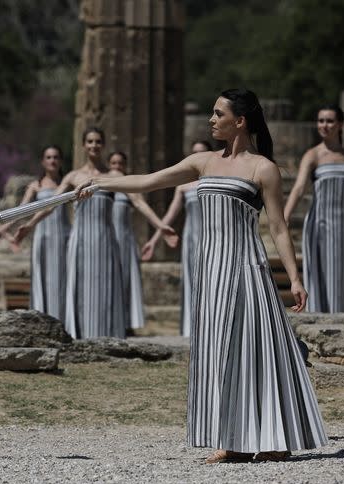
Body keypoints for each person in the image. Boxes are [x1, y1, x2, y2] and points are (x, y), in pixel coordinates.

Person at [77, 89, 327, 462]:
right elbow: (148, 181)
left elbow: (277, 227)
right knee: (215, 352)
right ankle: (229, 440)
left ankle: (273, 438)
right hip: (210, 270)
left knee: (253, 351)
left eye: (217, 114)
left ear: (239, 121)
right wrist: (100, 185)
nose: (211, 120)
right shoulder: (203, 162)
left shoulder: (263, 169)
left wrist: (295, 277)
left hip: (246, 269)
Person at [15, 128, 174, 339]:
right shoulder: (73, 177)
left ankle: (108, 337)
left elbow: (138, 201)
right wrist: (31, 224)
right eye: (89, 141)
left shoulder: (113, 176)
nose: (93, 145)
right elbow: (50, 204)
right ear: (83, 145)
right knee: (80, 288)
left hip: (105, 240)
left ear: (103, 145)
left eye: (98, 141)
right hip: (79, 240)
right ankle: (79, 337)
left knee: (106, 287)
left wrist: (160, 226)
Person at [283, 105, 344, 313]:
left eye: (330, 121)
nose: (324, 125)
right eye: (321, 120)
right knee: (322, 275)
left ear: (340, 124)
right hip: (320, 226)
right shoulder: (312, 156)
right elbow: (298, 188)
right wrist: (284, 217)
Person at [141, 140, 212, 336]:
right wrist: (154, 240)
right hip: (191, 239)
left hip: (213, 237)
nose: (198, 156)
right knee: (193, 281)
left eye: (202, 152)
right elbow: (170, 216)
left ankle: (213, 326)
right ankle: (193, 328)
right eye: (194, 153)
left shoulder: (216, 181)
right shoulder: (183, 187)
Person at [108, 151, 179, 333]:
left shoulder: (129, 187)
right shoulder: (103, 184)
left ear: (125, 166)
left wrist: (161, 227)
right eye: (113, 163)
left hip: (124, 239)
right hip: (106, 239)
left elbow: (142, 205)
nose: (117, 167)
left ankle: (125, 323)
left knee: (125, 280)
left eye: (120, 163)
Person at [0, 146, 71, 322]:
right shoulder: (35, 185)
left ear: (60, 161)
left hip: (63, 235)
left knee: (63, 277)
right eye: (48, 157)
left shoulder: (66, 183)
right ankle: (43, 319)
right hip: (42, 236)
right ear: (43, 161)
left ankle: (64, 320)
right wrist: (2, 228)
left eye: (55, 157)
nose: (52, 160)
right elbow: (22, 210)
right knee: (43, 276)